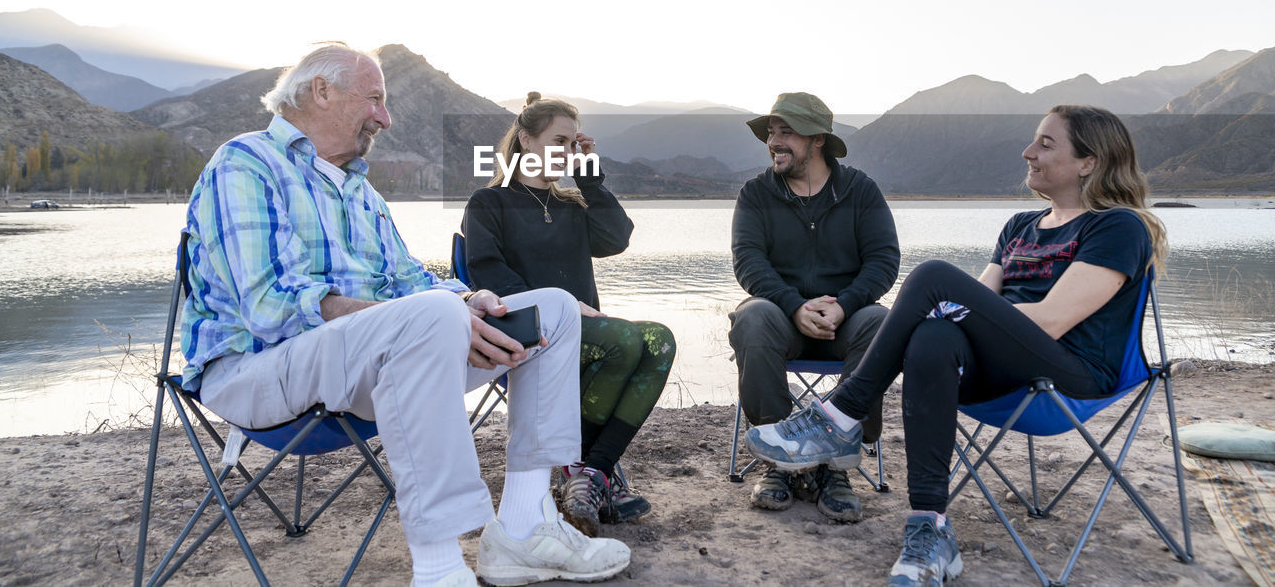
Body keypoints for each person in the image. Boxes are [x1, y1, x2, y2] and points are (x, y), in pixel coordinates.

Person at [178, 46, 630, 587]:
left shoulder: (360, 191)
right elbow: (270, 304)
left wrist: (469, 301)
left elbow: (412, 282)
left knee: (552, 311)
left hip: (374, 365)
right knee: (433, 314)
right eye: (375, 99)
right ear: (322, 91)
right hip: (259, 370)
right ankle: (439, 570)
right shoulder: (245, 163)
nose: (385, 118)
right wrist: (426, 316)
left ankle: (523, 526)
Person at [745, 105, 1167, 587]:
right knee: (931, 336)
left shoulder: (1117, 227)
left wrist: (952, 305)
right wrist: (948, 313)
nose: (1028, 152)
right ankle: (931, 527)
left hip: (1070, 379)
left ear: (1089, 162)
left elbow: (1051, 321)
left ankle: (840, 414)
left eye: (1046, 144)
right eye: (1034, 140)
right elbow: (979, 307)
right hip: (1000, 374)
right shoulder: (1019, 228)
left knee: (935, 278)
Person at [462, 93, 676, 537]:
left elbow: (617, 238)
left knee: (660, 339)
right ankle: (592, 475)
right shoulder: (489, 203)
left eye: (573, 142)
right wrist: (557, 302)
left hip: (589, 332)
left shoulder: (573, 207)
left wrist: (591, 178)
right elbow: (487, 270)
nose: (566, 150)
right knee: (624, 340)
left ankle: (590, 474)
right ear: (525, 139)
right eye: (558, 140)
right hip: (526, 331)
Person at [728, 91, 900, 522]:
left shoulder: (860, 191)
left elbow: (883, 261)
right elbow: (748, 262)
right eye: (772, 132)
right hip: (782, 322)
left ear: (818, 139)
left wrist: (844, 305)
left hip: (847, 320)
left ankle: (837, 463)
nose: (774, 141)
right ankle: (778, 458)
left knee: (880, 321)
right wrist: (792, 306)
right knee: (753, 315)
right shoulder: (755, 194)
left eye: (787, 132)